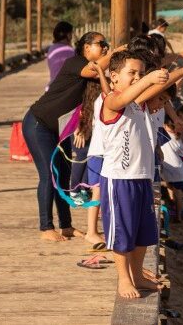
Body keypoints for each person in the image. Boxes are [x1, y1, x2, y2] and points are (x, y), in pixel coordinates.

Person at [99, 50, 183, 299]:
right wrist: (150, 77)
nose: (137, 77)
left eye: (140, 73)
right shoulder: (110, 101)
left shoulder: (138, 103)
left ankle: (138, 275)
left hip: (142, 177)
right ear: (114, 76)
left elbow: (158, 88)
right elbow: (132, 94)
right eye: (131, 73)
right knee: (122, 234)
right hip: (119, 180)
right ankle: (123, 279)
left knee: (144, 233)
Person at [23, 31, 115, 242]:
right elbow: (95, 69)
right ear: (86, 47)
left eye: (106, 45)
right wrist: (116, 51)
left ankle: (66, 226)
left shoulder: (92, 72)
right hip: (38, 124)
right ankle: (46, 227)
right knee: (48, 175)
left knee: (62, 177)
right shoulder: (76, 62)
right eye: (101, 44)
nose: (105, 48)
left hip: (55, 129)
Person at [70, 62, 110, 250]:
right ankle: (92, 231)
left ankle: (99, 229)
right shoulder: (103, 99)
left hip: (104, 149)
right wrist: (80, 128)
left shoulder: (100, 98)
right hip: (101, 150)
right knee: (98, 189)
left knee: (101, 189)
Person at [158, 114, 183, 222]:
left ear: (167, 126)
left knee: (175, 191)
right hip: (176, 168)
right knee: (174, 190)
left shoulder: (164, 135)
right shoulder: (178, 137)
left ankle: (178, 215)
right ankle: (177, 214)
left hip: (171, 168)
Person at [46, 21, 75, 85]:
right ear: (68, 35)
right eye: (71, 34)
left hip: (52, 86)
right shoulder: (70, 50)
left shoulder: (51, 48)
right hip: (65, 88)